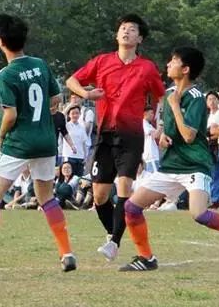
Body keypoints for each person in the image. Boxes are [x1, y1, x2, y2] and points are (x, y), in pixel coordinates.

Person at [119, 47, 219, 272]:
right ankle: (146, 258)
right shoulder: (169, 93)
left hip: (195, 164)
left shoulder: (195, 97)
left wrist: (175, 106)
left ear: (185, 69)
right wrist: (163, 136)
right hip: (172, 165)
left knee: (199, 214)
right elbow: (172, 131)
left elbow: (189, 135)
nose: (168, 64)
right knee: (132, 207)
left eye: (173, 61)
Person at [0, 14, 75, 274]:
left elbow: (11, 115)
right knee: (47, 198)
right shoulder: (40, 64)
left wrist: (0, 136)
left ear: (0, 42)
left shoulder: (5, 75)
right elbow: (56, 97)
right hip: (46, 140)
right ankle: (67, 254)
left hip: (20, 141)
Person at [66, 14, 166, 262]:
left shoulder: (147, 68)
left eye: (132, 30)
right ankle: (113, 232)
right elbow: (72, 80)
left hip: (131, 136)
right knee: (99, 196)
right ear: (116, 35)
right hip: (105, 135)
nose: (126, 32)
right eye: (122, 28)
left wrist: (160, 124)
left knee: (124, 187)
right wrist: (86, 95)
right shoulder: (102, 62)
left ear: (139, 38)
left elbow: (161, 96)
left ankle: (113, 242)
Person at [205, 91, 219, 208]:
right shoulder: (207, 116)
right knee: (211, 174)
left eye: (214, 99)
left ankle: (218, 198)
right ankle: (212, 197)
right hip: (208, 148)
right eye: (209, 99)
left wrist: (211, 135)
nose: (212, 102)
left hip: (218, 146)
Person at [62, 104, 90, 177]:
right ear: (69, 115)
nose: (75, 115)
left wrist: (85, 156)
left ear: (80, 114)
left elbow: (84, 143)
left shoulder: (81, 127)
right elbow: (61, 115)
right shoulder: (66, 126)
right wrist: (70, 105)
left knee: (79, 178)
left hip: (80, 157)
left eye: (77, 113)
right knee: (69, 178)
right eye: (73, 113)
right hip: (69, 156)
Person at [142, 105, 160, 174]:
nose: (153, 115)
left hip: (153, 156)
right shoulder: (143, 123)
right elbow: (155, 135)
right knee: (154, 179)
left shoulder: (149, 125)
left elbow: (158, 135)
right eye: (151, 113)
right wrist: (161, 126)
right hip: (150, 156)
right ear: (145, 113)